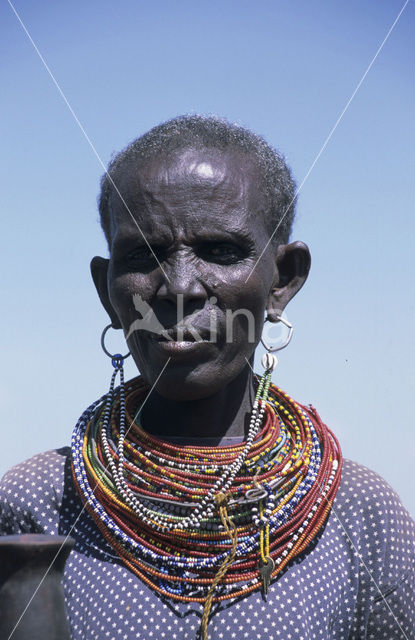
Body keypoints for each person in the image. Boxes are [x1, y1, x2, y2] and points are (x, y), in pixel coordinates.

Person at [1, 115, 414, 640]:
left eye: (220, 251)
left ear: (282, 281)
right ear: (107, 290)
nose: (178, 288)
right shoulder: (36, 503)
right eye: (141, 256)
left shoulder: (359, 516)